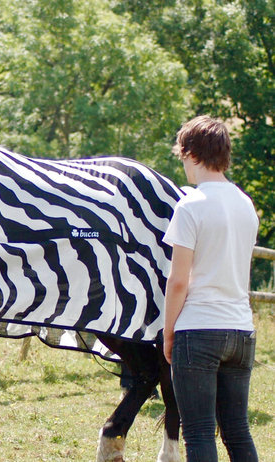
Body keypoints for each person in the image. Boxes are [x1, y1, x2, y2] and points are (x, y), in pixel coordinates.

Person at [162, 115, 258, 461]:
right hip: (241, 331)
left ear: (189, 153)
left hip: (199, 330)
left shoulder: (190, 205)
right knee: (237, 430)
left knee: (200, 432)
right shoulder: (245, 204)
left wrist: (169, 332)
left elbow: (179, 281)